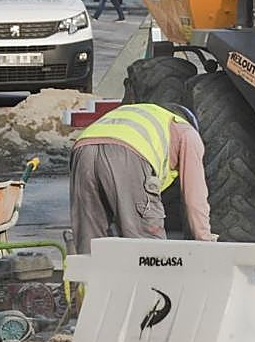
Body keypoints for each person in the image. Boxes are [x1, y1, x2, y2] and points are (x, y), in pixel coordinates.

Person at [70, 102, 216, 253]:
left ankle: (89, 275)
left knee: (90, 240)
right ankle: (152, 276)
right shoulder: (187, 131)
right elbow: (194, 195)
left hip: (83, 147)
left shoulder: (144, 115)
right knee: (148, 251)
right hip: (128, 152)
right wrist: (204, 240)